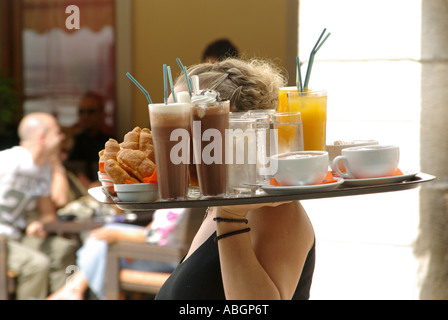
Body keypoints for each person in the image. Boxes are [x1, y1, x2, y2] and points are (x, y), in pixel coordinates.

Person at [155, 58, 315, 300]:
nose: (169, 131)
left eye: (180, 117)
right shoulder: (216, 202)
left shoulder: (275, 210)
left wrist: (230, 217)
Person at [0, 112, 78, 300]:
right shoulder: (9, 160)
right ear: (43, 138)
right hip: (2, 240)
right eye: (57, 133)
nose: (62, 138)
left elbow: (48, 215)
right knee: (37, 264)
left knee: (65, 249)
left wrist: (38, 225)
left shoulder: (42, 169)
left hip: (17, 236)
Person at [47, 208, 186, 300]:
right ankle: (73, 289)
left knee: (103, 241)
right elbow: (158, 228)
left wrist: (119, 235)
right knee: (104, 236)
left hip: (170, 257)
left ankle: (73, 289)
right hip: (170, 252)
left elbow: (158, 236)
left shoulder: (183, 196)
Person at [67, 91, 113, 188]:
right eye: (81, 111)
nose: (85, 116)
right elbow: (70, 170)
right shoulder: (72, 140)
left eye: (90, 111)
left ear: (101, 113)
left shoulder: (110, 142)